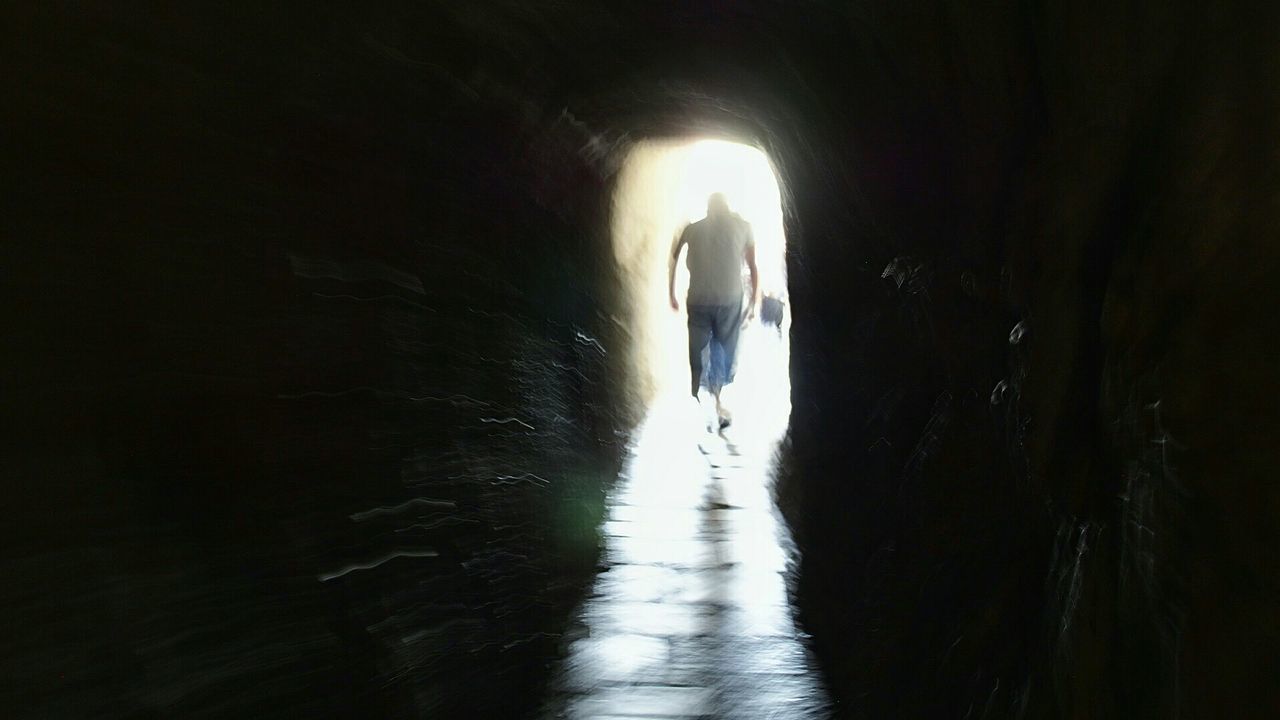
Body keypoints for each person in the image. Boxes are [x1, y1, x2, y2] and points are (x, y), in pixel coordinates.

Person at [668, 193, 759, 429]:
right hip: (729, 299)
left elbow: (674, 256)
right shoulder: (743, 226)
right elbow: (752, 266)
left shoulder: (692, 229)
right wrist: (752, 303)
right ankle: (717, 395)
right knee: (724, 346)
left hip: (698, 299)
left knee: (698, 346)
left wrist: (671, 293)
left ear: (708, 209)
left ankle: (701, 388)